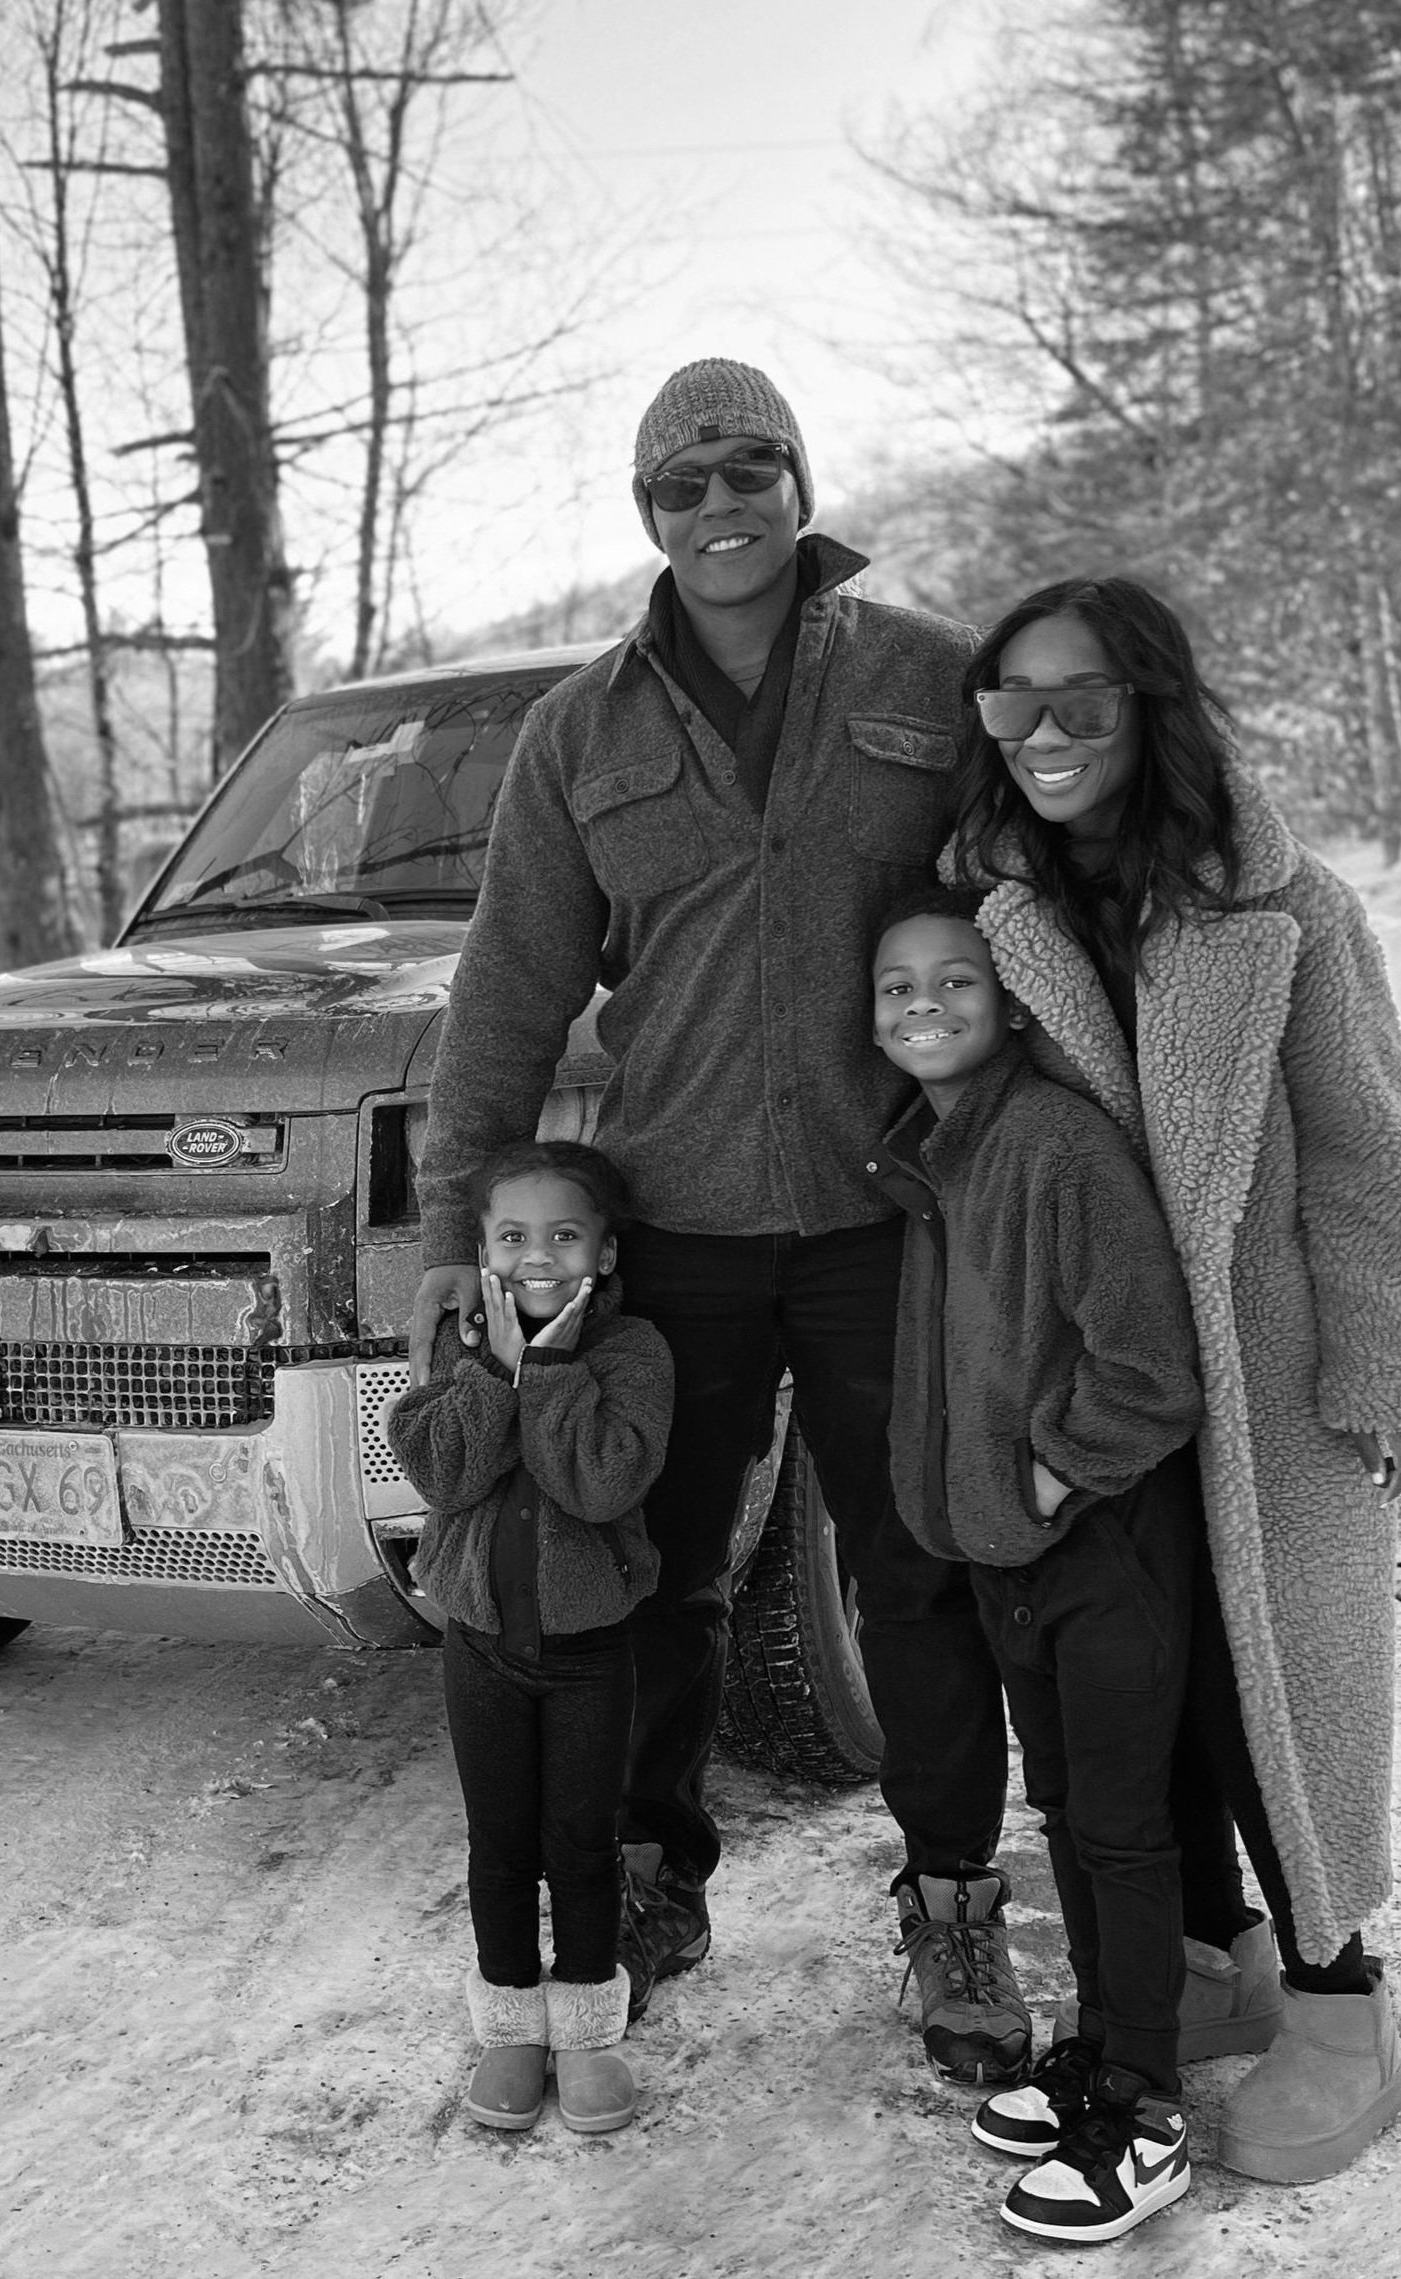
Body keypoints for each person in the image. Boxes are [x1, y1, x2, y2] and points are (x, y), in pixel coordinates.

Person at [408, 358, 1028, 2078]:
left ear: (797, 482)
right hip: (673, 1226)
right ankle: (648, 1870)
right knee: (653, 1570)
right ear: (647, 516)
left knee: (916, 1566)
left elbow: (1025, 912)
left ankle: (952, 1899)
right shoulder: (579, 732)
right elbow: (507, 990)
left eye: (749, 467)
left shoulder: (920, 675)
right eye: (680, 485)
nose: (719, 505)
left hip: (880, 1213)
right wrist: (456, 1227)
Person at [949, 576, 1401, 2184]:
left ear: (1151, 706)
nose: (1043, 733)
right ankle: (1205, 1955)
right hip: (1108, 1370)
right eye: (1012, 700)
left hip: (1268, 1371)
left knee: (1278, 1699)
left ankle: (1341, 2008)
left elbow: (1364, 1145)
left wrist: (1387, 1359)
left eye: (1082, 699)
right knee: (1148, 1680)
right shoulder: (996, 906)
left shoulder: (1284, 907)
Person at [865, 884, 1206, 2243]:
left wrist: (1047, 1478)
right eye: (896, 984)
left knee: (1120, 1825)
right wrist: (983, 1509)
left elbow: (1149, 1365)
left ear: (1009, 1001)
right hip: (1004, 1553)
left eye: (954, 977)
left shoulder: (1055, 1144)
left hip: (1097, 1545)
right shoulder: (933, 1154)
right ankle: (1097, 2051)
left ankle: (1147, 2109)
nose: (923, 1002)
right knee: (1063, 1809)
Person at [387, 1139, 673, 2136]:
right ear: (482, 1249)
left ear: (602, 1250)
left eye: (564, 1234)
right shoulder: (460, 1345)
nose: (536, 1255)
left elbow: (599, 1482)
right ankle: (509, 2021)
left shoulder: (632, 1353)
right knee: (501, 1843)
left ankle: (586, 2029)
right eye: (512, 1236)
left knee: (581, 1842)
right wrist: (497, 1373)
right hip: (481, 1647)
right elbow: (441, 1473)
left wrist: (545, 1369)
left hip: (589, 1654)